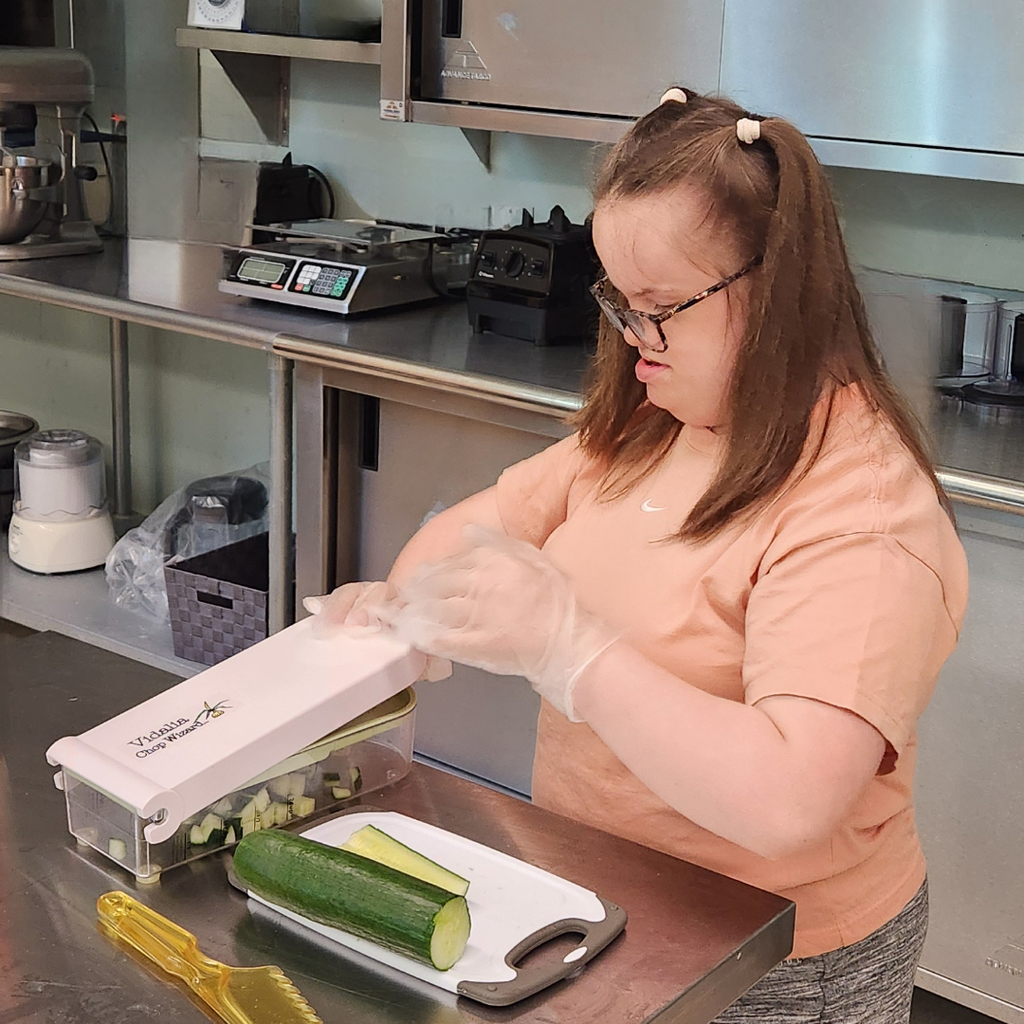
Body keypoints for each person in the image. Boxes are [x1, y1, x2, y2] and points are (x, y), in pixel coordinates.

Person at [304, 87, 968, 1024]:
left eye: (661, 306)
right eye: (618, 298)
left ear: (775, 289)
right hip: (605, 898)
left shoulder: (860, 509)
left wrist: (571, 652)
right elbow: (489, 519)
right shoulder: (663, 418)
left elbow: (790, 798)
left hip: (772, 956)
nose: (632, 338)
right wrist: (404, 608)